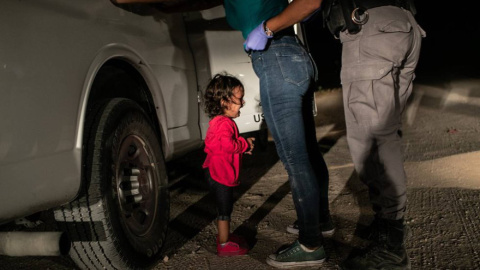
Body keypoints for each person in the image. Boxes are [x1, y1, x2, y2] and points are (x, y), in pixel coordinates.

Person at [223, 0, 334, 268]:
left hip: (275, 59)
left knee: (295, 158)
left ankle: (310, 244)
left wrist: (266, 30)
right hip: (294, 55)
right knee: (307, 150)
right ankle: (320, 220)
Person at [319, 0, 426, 269]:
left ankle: (391, 246)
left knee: (373, 141)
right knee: (385, 134)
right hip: (403, 24)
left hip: (371, 26)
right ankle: (388, 227)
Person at [202, 73, 255, 257]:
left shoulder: (218, 122)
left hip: (214, 172)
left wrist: (241, 147)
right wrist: (244, 144)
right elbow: (228, 145)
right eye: (239, 99)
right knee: (224, 210)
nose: (242, 103)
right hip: (220, 175)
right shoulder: (224, 124)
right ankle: (224, 244)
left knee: (223, 208)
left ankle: (224, 237)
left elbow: (221, 146)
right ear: (225, 102)